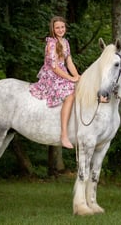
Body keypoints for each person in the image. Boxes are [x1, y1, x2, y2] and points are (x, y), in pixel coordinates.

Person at [29, 16, 80, 149]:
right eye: (57, 27)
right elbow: (54, 67)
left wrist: (77, 76)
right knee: (70, 96)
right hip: (52, 75)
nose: (60, 29)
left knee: (81, 86)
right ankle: (64, 134)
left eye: (62, 27)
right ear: (53, 29)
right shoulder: (51, 44)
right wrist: (70, 78)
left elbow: (69, 62)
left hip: (63, 73)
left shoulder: (65, 42)